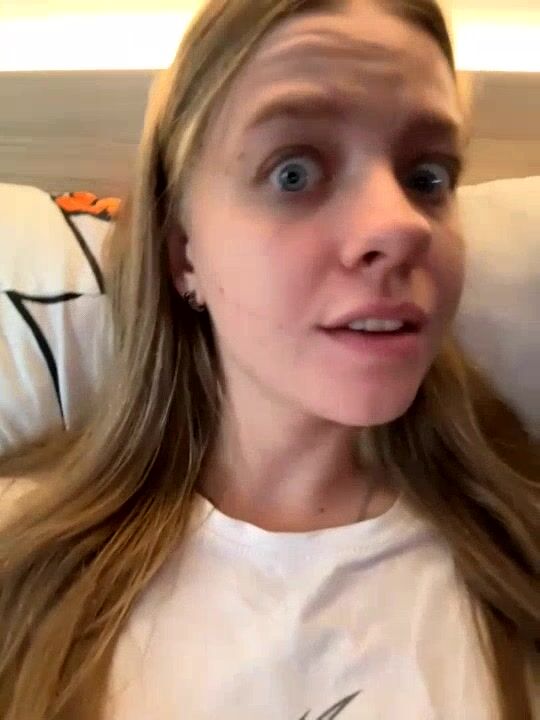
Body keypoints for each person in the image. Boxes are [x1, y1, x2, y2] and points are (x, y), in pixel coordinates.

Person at [0, 0, 538, 718]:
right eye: (293, 173)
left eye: (427, 178)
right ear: (183, 255)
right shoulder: (18, 559)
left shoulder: (521, 562)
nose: (401, 225)